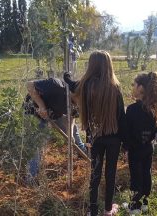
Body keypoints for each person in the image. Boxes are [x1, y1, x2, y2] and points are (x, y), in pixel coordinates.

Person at [66, 50, 126, 216]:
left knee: (95, 173)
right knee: (111, 173)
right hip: (114, 138)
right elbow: (121, 116)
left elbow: (74, 85)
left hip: (95, 138)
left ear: (91, 66)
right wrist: (125, 142)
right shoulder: (115, 87)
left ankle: (92, 211)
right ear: (109, 65)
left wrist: (67, 78)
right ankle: (108, 210)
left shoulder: (86, 86)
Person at [25, 78, 87, 180]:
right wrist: (41, 106)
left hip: (55, 113)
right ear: (75, 93)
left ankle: (83, 152)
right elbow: (29, 85)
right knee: (38, 143)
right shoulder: (56, 86)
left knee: (74, 134)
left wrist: (70, 134)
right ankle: (31, 176)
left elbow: (71, 119)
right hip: (35, 112)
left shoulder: (77, 104)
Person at [124, 72, 157, 214]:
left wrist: (126, 148)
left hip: (135, 149)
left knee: (135, 176)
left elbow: (127, 132)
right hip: (148, 147)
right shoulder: (154, 109)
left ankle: (134, 206)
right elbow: (155, 130)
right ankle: (145, 202)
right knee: (147, 173)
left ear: (140, 88)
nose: (132, 88)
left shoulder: (132, 109)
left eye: (134, 85)